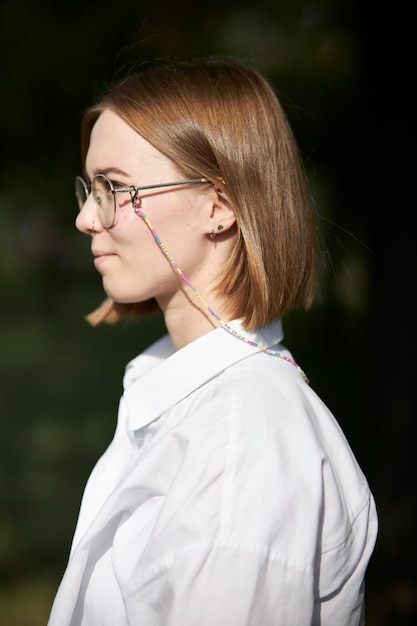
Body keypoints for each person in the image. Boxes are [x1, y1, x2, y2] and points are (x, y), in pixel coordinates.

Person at [47, 57, 377, 626]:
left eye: (114, 188)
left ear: (219, 206)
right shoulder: (193, 400)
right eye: (89, 187)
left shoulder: (240, 440)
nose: (84, 218)